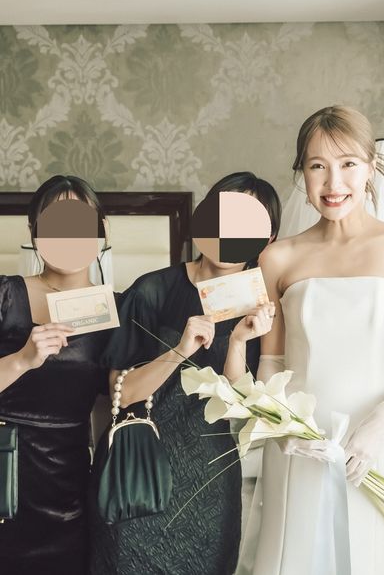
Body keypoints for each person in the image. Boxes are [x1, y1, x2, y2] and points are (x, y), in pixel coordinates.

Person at [230, 106, 384, 575]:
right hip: (301, 444)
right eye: (317, 166)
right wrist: (283, 429)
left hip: (381, 443)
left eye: (348, 164)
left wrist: (379, 427)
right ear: (302, 173)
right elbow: (272, 363)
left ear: (371, 167)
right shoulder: (277, 258)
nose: (333, 182)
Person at [90, 172, 281, 575]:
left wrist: (238, 341)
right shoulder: (152, 290)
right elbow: (122, 395)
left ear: (267, 240)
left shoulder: (262, 310)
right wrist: (179, 351)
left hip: (210, 484)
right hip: (139, 472)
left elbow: (241, 411)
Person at [0, 175, 113, 575]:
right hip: (5, 467)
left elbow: (115, 403)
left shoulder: (115, 309)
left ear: (102, 230)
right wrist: (22, 359)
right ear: (34, 231)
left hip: (70, 483)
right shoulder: (6, 295)